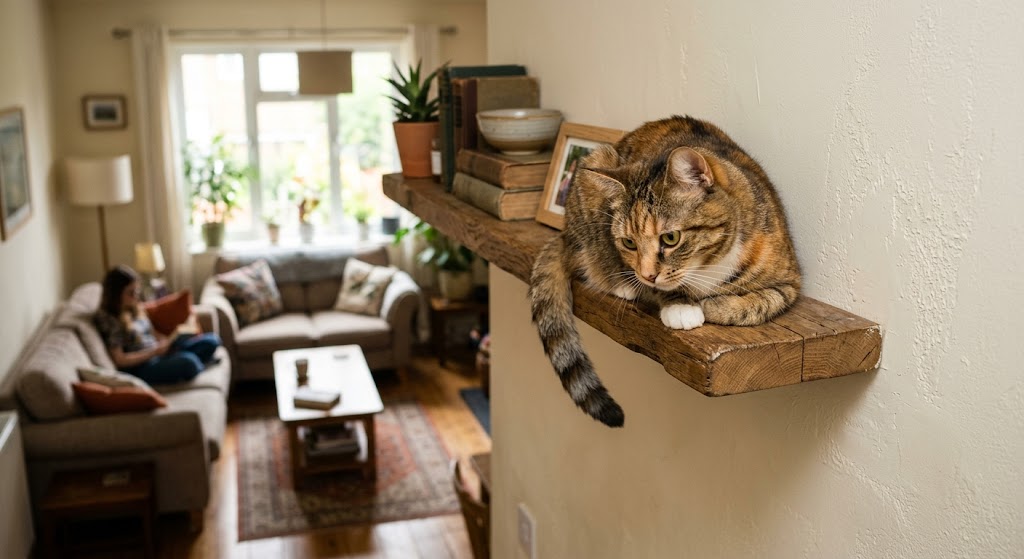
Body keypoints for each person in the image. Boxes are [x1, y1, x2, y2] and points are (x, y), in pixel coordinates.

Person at [95, 265, 221, 385]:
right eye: (130, 292)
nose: (135, 296)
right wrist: (154, 352)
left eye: (136, 291)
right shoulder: (109, 319)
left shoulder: (134, 308)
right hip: (143, 366)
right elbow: (120, 360)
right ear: (115, 294)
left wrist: (166, 341)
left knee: (212, 340)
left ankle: (193, 361)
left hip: (159, 353)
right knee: (189, 362)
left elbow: (151, 333)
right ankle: (198, 363)